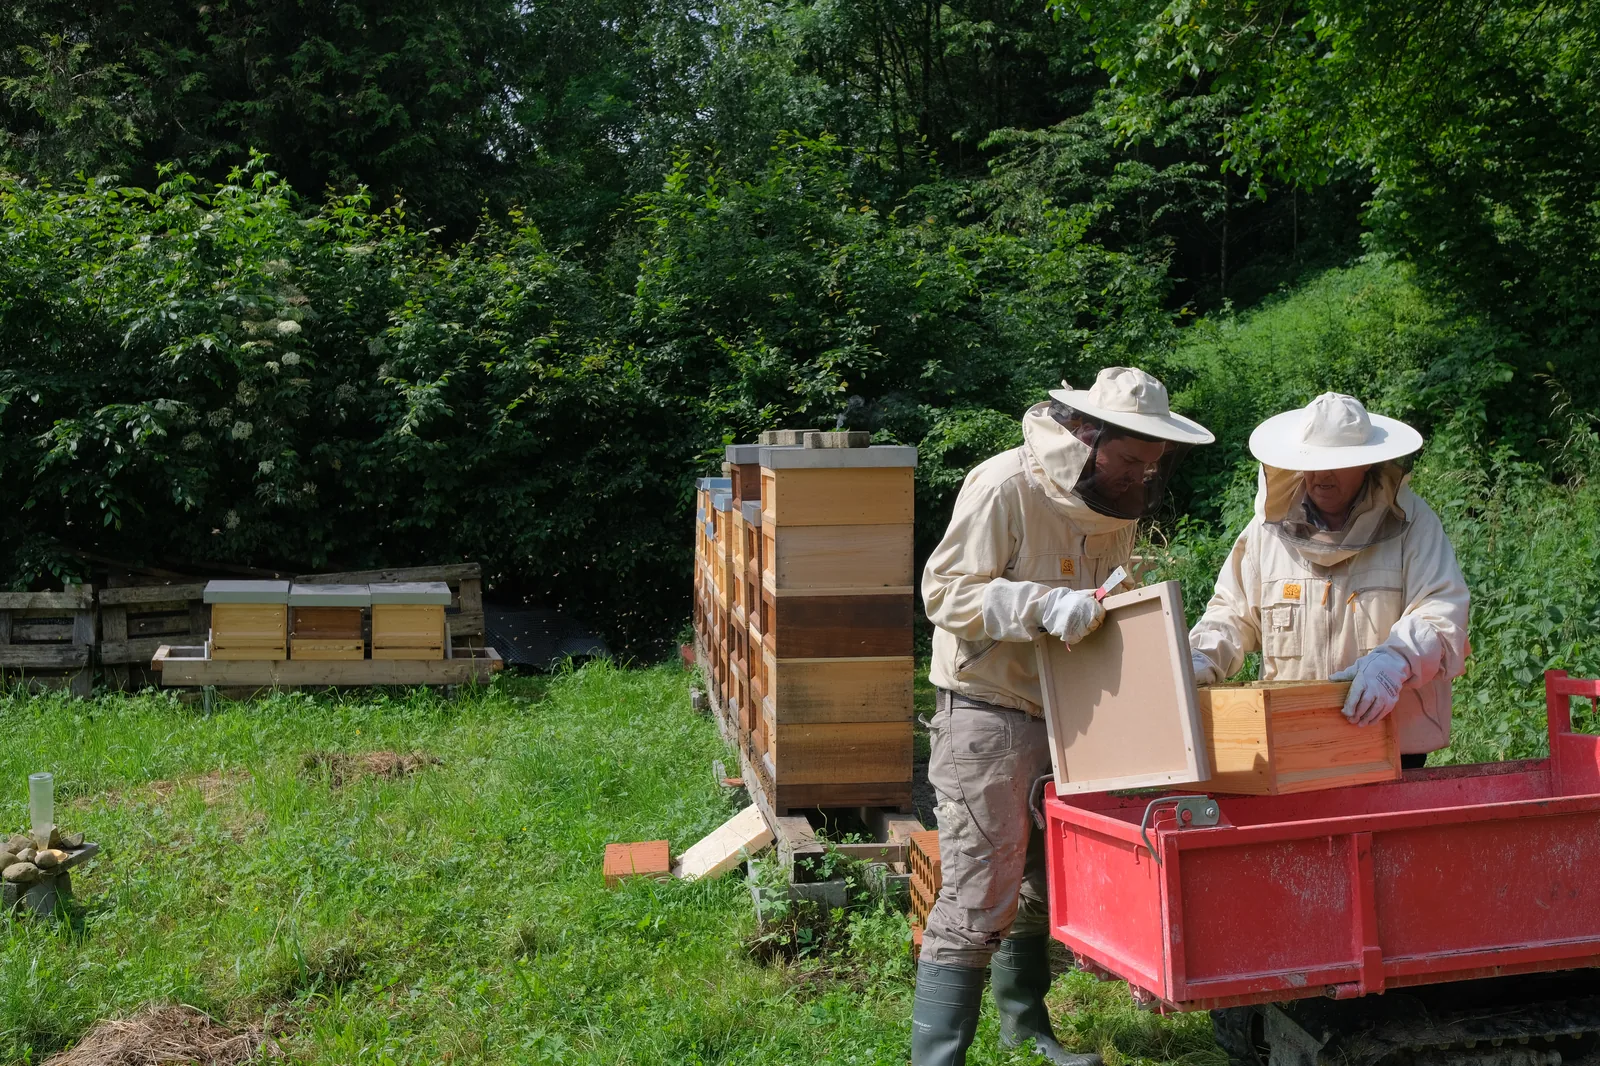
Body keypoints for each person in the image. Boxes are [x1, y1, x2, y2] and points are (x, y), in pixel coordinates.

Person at [916, 367, 1214, 1066]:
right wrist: (1040, 605)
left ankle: (1027, 1030)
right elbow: (944, 592)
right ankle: (937, 1059)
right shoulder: (1003, 485)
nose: (1143, 476)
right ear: (1087, 437)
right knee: (977, 888)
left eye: (1153, 463)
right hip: (986, 707)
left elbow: (1109, 599)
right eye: (1130, 460)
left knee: (1048, 878)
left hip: (1075, 712)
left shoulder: (1117, 499)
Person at [1188, 393, 1470, 764]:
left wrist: (1396, 661)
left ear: (1366, 465)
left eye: (1335, 465)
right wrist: (1198, 658)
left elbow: (1441, 611)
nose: (1321, 475)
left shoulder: (1413, 524)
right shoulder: (1265, 531)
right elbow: (1232, 614)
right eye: (1312, 463)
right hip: (1291, 737)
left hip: (1391, 742)